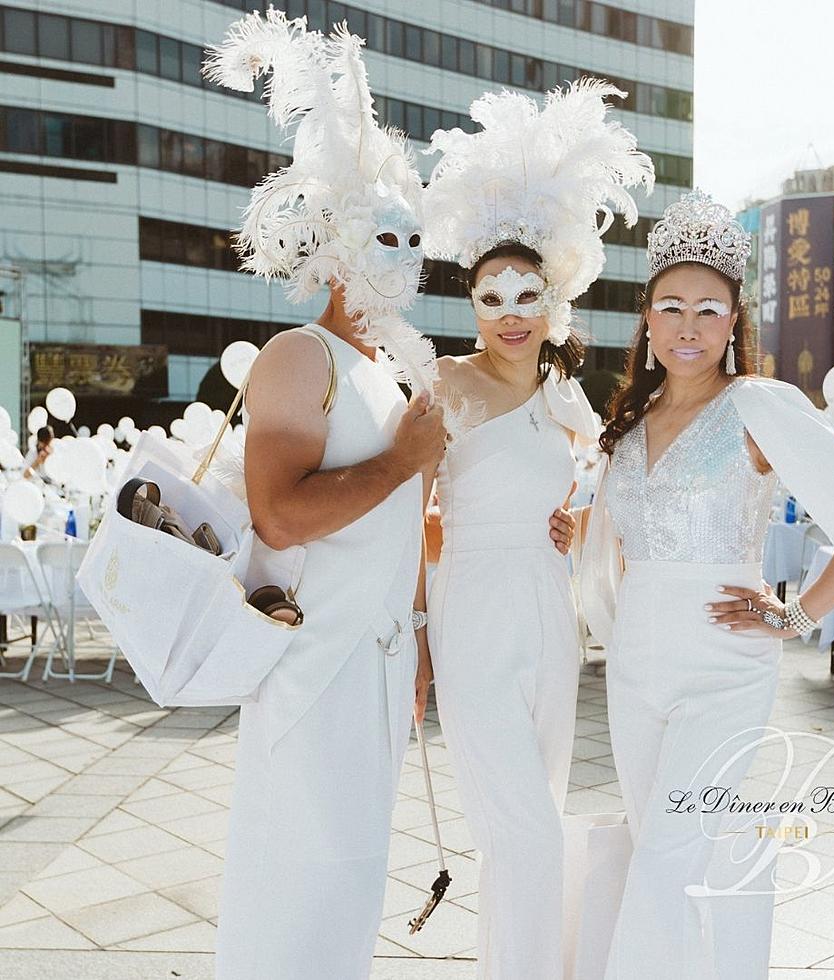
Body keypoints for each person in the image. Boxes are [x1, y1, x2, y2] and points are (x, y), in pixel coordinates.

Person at [581, 189, 834, 980]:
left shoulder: (759, 406)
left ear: (735, 318)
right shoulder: (629, 427)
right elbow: (617, 548)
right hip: (635, 667)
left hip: (722, 667)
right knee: (661, 851)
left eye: (709, 309)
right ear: (646, 319)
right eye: (671, 307)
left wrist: (796, 613)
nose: (689, 326)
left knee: (668, 854)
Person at [204, 13, 444, 978]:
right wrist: (398, 461)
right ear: (337, 247)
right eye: (386, 237)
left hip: (380, 669)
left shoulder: (386, 371)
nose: (408, 258)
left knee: (353, 881)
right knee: (294, 881)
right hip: (310, 668)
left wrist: (420, 638)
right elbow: (280, 513)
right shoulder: (299, 356)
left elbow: (403, 531)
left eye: (416, 240)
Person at [422, 80, 654, 980]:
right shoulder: (443, 381)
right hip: (473, 608)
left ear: (549, 299)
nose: (511, 313)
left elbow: (596, 483)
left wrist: (570, 518)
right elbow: (416, 515)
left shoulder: (566, 394)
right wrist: (416, 636)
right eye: (491, 296)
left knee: (540, 815)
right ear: (472, 302)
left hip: (549, 617)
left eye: (526, 295)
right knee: (517, 830)